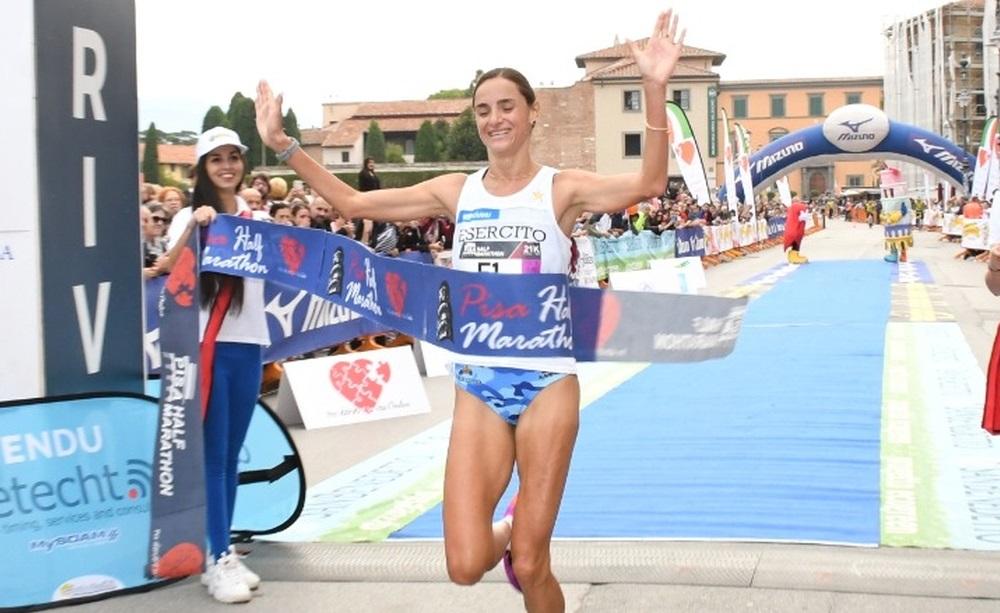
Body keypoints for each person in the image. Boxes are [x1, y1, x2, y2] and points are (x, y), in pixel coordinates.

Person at [254, 13, 683, 611]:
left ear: (533, 113)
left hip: (545, 382)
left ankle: (525, 548)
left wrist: (657, 86)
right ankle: (509, 531)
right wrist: (285, 146)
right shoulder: (457, 190)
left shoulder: (561, 188)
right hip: (478, 383)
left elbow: (650, 182)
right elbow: (350, 201)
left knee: (534, 566)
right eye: (483, 109)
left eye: (506, 106)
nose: (494, 119)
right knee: (463, 565)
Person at [160, 126, 268, 604]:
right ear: (201, 168)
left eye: (233, 157)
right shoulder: (190, 215)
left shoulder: (255, 216)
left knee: (231, 455)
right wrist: (194, 228)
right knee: (214, 459)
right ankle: (217, 556)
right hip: (207, 347)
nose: (227, 166)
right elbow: (167, 265)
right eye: (216, 159)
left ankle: (221, 555)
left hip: (248, 345)